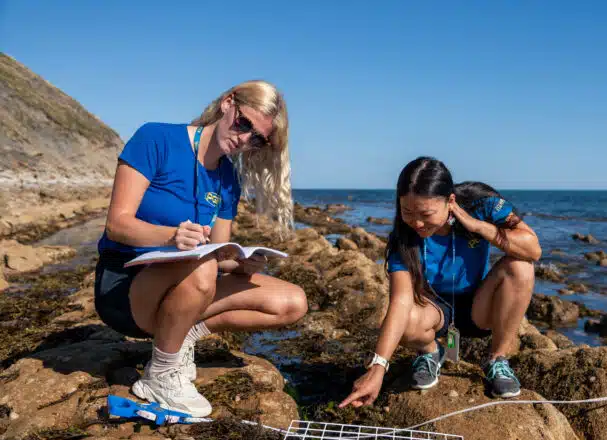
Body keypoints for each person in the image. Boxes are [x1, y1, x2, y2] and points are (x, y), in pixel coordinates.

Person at [95, 80, 308, 417]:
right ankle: (161, 374)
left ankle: (181, 335)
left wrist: (242, 264)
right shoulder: (156, 139)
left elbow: (219, 254)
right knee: (203, 265)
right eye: (243, 123)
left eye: (257, 138)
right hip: (124, 287)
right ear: (227, 103)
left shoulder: (228, 179)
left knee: (292, 302)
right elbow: (117, 225)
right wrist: (171, 237)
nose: (244, 139)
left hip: (186, 284)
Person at [340, 157, 540, 408]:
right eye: (407, 212)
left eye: (426, 214)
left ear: (450, 201)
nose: (417, 223)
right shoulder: (403, 239)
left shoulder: (483, 204)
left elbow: (533, 249)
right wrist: (378, 368)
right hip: (434, 310)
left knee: (521, 266)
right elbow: (401, 301)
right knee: (406, 320)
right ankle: (430, 352)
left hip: (480, 305)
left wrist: (478, 227)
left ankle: (498, 359)